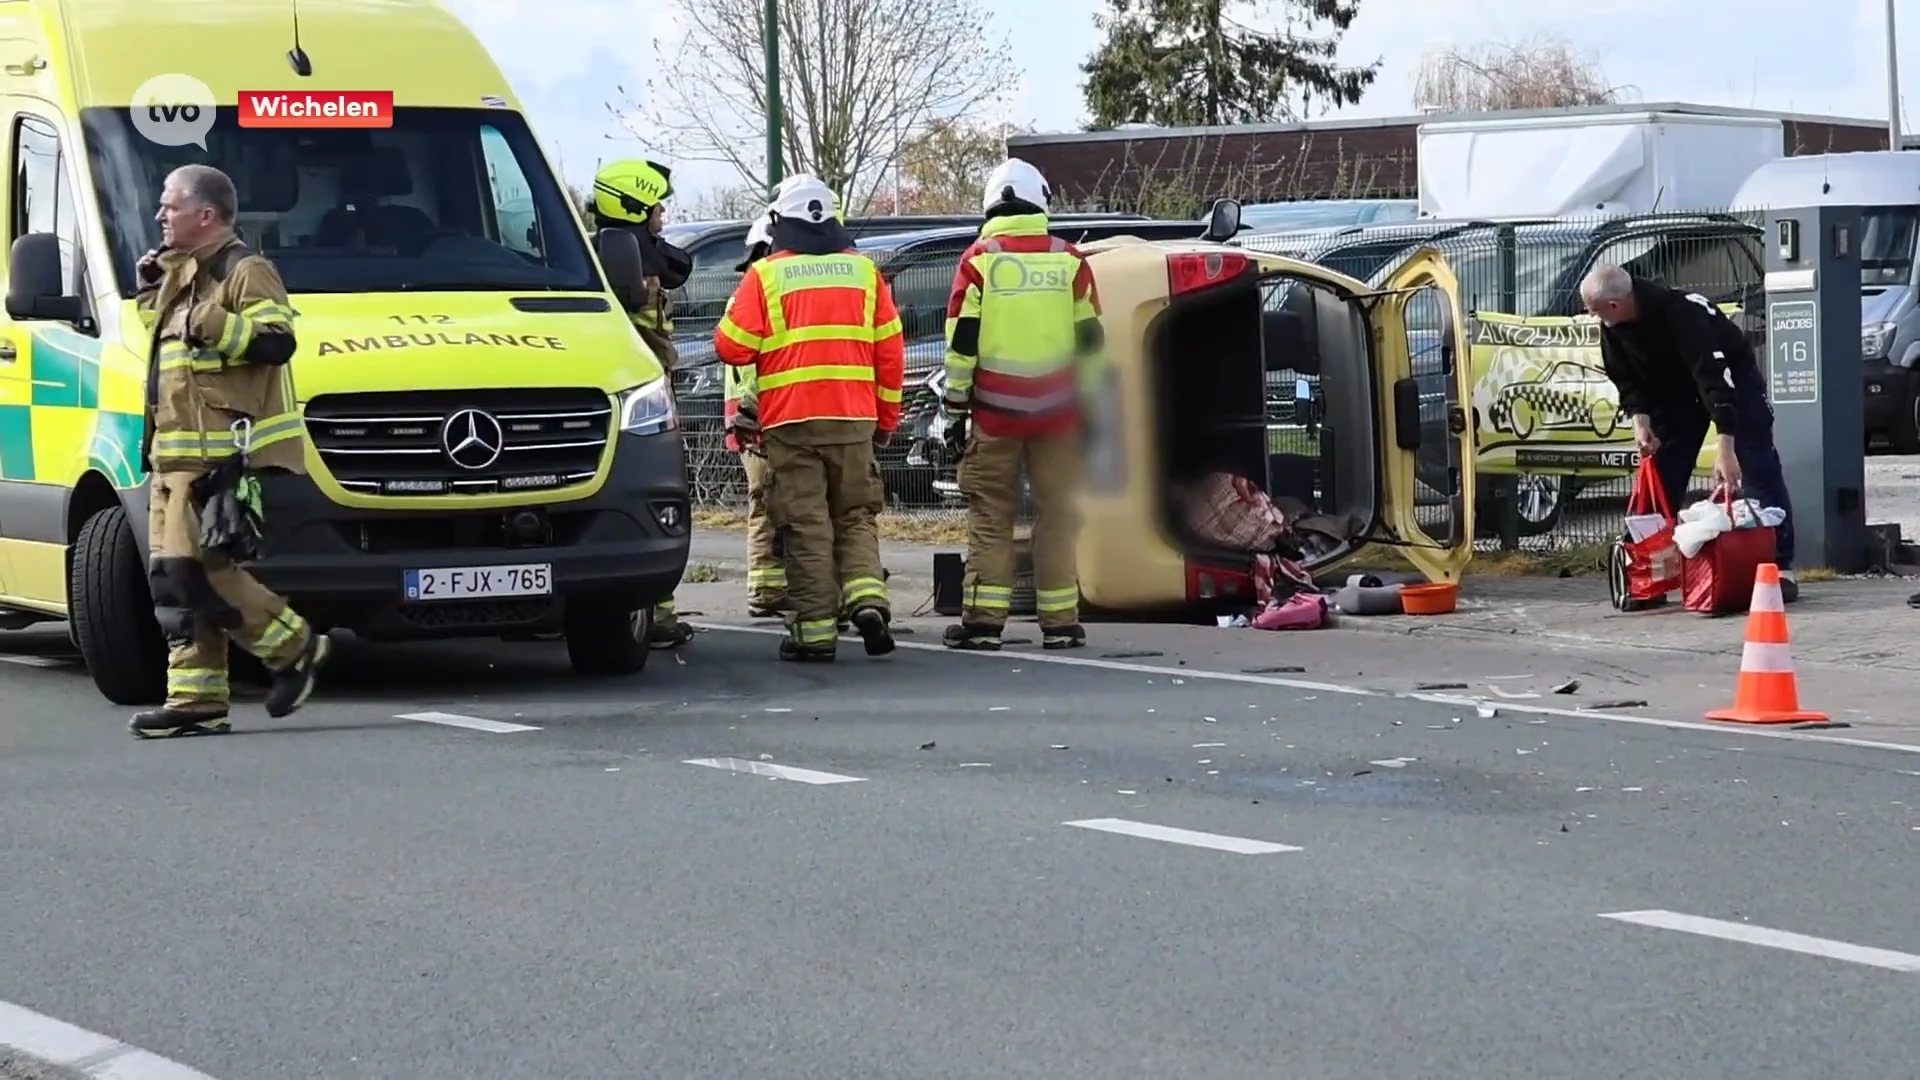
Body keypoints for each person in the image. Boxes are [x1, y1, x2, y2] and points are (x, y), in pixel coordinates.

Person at [132, 164, 329, 738]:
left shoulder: (247, 270)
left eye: (169, 206)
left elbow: (277, 342)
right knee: (181, 579)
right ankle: (196, 700)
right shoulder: (181, 274)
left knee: (195, 574)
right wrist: (155, 286)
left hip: (217, 457)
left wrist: (214, 321)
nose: (160, 215)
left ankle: (295, 647)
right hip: (174, 457)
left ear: (206, 214)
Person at [713, 176, 905, 661]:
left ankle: (815, 634)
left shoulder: (766, 276)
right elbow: (890, 354)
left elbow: (730, 345)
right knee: (856, 514)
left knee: (806, 525)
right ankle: (866, 598)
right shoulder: (865, 272)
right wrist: (886, 419)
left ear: (781, 221)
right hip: (854, 417)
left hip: (790, 422)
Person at [940, 158, 1104, 651]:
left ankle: (985, 622)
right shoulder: (1070, 260)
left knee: (992, 512)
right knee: (1058, 512)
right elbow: (1091, 343)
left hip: (995, 413)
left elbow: (961, 345)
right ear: (1041, 200)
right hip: (1058, 414)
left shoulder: (978, 261)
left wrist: (953, 409)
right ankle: (1061, 622)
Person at [1581, 263, 1798, 602]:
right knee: (1663, 470)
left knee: (1754, 460)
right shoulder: (1613, 325)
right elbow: (1626, 379)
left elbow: (1714, 379)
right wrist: (1641, 419)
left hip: (1729, 377)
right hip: (1675, 392)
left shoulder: (1682, 314)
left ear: (1615, 304)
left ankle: (1779, 567)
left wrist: (1726, 448)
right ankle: (1649, 573)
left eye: (1593, 310)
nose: (1590, 316)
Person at [591, 158, 698, 646]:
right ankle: (658, 615)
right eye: (656, 209)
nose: (663, 217)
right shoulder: (631, 265)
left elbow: (677, 263)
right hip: (643, 405)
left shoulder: (624, 255)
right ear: (632, 208)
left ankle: (656, 613)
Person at [724, 211, 787, 618]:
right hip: (759, 419)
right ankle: (765, 590)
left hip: (755, 417)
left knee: (771, 504)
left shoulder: (749, 294)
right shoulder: (753, 297)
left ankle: (771, 586)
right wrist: (758, 414)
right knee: (765, 503)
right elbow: (749, 370)